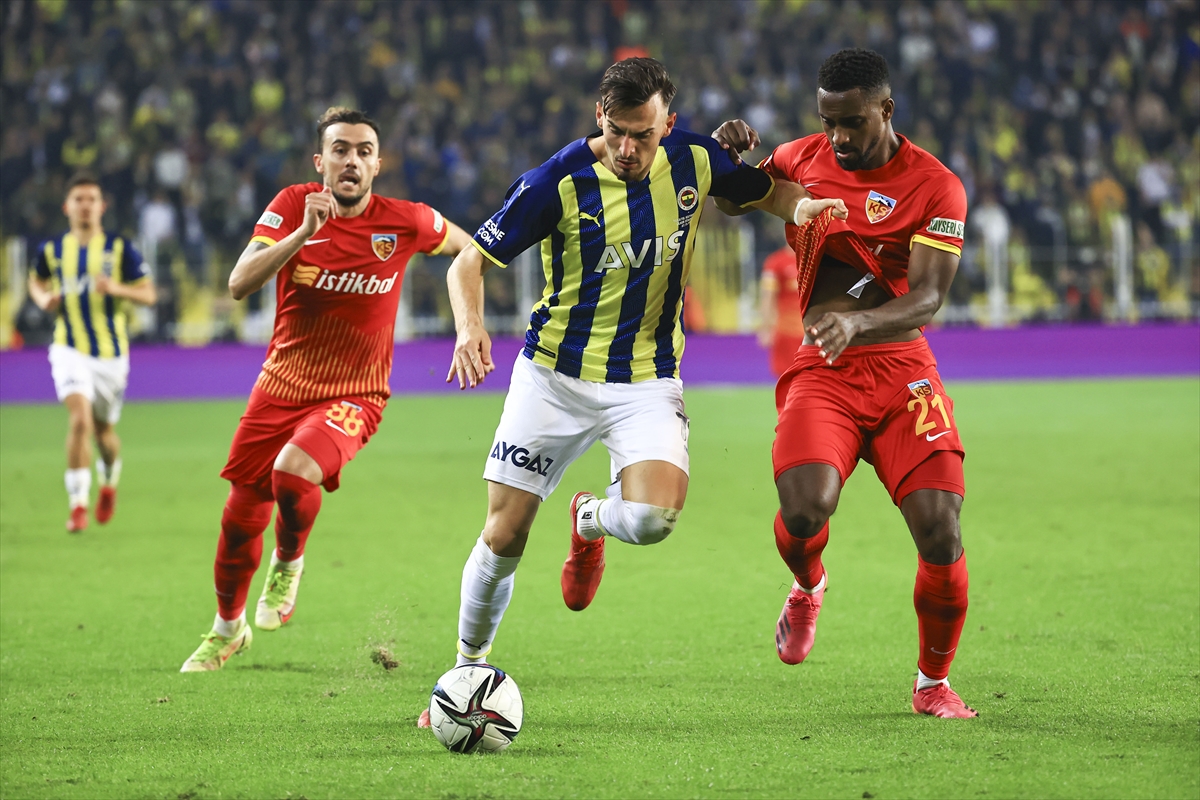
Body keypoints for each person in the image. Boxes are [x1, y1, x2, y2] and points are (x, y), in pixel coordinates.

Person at [419, 58, 845, 725]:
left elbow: (762, 192)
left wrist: (802, 206)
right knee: (504, 535)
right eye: (616, 131)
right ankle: (466, 668)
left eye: (641, 134)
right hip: (553, 377)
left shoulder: (695, 159)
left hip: (646, 380)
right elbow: (469, 260)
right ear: (600, 117)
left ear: (667, 124)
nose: (626, 147)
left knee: (651, 521)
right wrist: (470, 326)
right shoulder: (556, 181)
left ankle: (589, 519)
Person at [713, 48, 977, 718]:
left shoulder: (936, 186)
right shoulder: (802, 157)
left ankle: (932, 684)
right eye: (828, 122)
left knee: (940, 529)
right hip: (824, 370)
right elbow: (736, 200)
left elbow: (927, 298)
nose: (838, 137)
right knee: (804, 510)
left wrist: (859, 324)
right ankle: (809, 585)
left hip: (902, 369)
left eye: (852, 122)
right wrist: (723, 157)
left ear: (885, 110)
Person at [180, 107, 471, 672]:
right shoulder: (293, 205)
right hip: (280, 385)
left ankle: (289, 559)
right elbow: (239, 283)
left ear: (378, 164)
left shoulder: (407, 221)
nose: (352, 160)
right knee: (240, 518)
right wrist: (301, 236)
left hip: (355, 392)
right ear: (321, 162)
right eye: (340, 150)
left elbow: (470, 250)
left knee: (293, 473)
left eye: (364, 151)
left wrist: (468, 323)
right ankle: (227, 629)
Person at [27, 173, 156, 533]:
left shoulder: (119, 248)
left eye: (91, 199)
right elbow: (36, 280)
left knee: (104, 435)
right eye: (78, 199)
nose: (85, 205)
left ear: (102, 206)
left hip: (111, 355)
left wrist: (116, 288)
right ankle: (78, 504)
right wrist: (42, 298)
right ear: (67, 207)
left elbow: (148, 294)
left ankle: (109, 482)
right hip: (68, 347)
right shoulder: (52, 249)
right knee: (80, 420)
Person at [758, 239, 807, 378]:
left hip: (811, 331)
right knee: (786, 376)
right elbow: (768, 297)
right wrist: (766, 327)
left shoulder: (814, 260)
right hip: (787, 331)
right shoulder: (775, 262)